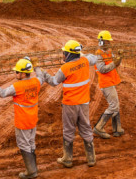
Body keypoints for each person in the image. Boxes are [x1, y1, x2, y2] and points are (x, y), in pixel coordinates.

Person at [35, 40, 96, 168]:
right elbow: (92, 58)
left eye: (64, 52)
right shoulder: (85, 61)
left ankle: (67, 159)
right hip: (84, 102)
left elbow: (54, 81)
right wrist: (81, 53)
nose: (62, 54)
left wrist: (43, 73)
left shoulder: (65, 68)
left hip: (70, 104)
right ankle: (91, 158)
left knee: (69, 130)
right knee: (86, 127)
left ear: (69, 54)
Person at [0, 57, 44, 179]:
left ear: (22, 73)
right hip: (32, 120)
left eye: (16, 72)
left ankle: (31, 171)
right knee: (31, 143)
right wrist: (36, 66)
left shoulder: (18, 86)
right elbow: (41, 77)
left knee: (24, 145)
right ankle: (33, 168)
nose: (15, 73)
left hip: (22, 121)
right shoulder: (36, 82)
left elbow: (2, 93)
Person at [92, 30, 124, 139]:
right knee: (114, 105)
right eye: (107, 41)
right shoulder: (98, 55)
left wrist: (119, 58)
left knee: (116, 104)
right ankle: (99, 127)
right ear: (101, 42)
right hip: (106, 83)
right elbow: (102, 69)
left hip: (110, 82)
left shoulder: (108, 52)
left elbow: (116, 63)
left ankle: (117, 129)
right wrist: (114, 62)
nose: (109, 43)